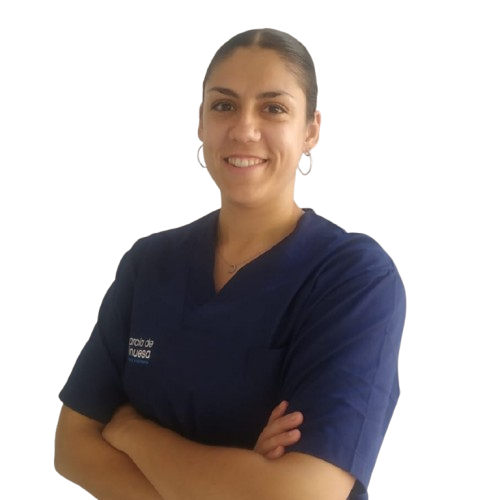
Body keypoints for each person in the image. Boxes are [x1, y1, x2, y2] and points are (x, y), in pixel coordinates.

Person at [54, 28, 406, 500]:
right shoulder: (148, 263)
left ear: (311, 130)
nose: (244, 129)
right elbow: (71, 446)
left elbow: (307, 492)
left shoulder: (355, 277)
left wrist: (132, 430)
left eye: (273, 108)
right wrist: (236, 482)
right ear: (200, 122)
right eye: (224, 105)